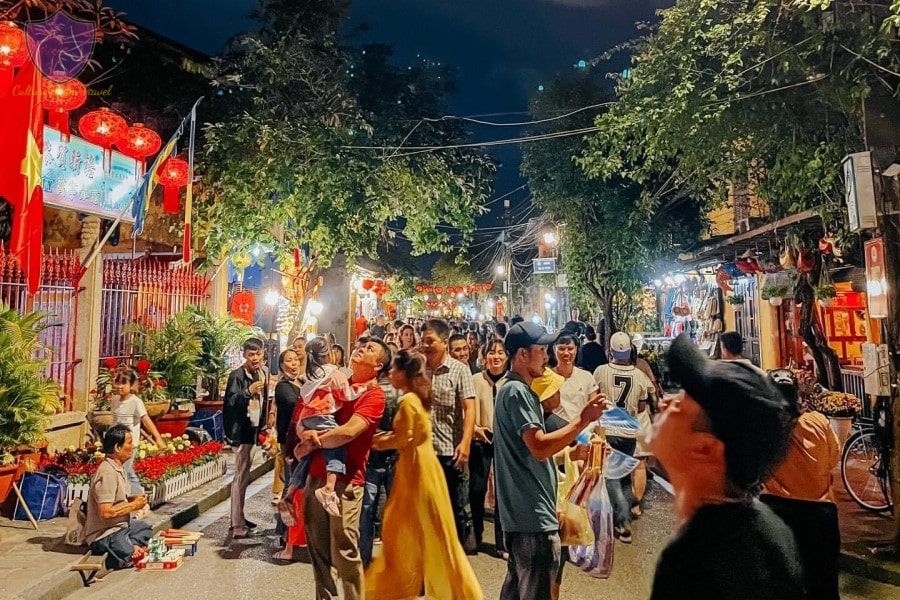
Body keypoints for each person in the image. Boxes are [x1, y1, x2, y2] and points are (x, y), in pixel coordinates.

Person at [647, 333, 803, 600]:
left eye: (681, 401)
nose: (665, 402)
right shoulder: (767, 531)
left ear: (704, 449)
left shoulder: (693, 562)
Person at [494, 322, 606, 600]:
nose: (547, 357)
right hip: (531, 516)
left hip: (525, 515)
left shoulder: (513, 390)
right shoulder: (518, 392)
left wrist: (572, 452)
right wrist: (583, 420)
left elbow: (532, 453)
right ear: (521, 354)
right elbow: (539, 447)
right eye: (542, 350)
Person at [365, 351, 483, 599]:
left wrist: (376, 442)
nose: (389, 374)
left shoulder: (408, 400)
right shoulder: (416, 397)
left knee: (408, 529)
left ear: (403, 374)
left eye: (394, 369)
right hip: (421, 467)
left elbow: (404, 437)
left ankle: (401, 585)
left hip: (417, 469)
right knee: (429, 532)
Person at [293, 339, 389, 600]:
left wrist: (312, 442)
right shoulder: (333, 377)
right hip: (316, 475)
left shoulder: (373, 394)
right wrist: (304, 434)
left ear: (378, 365)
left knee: (345, 549)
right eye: (362, 345)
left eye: (370, 349)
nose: (361, 348)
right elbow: (303, 412)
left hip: (347, 482)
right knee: (317, 549)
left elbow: (348, 432)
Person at [420, 319, 478, 553]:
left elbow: (470, 409)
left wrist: (465, 443)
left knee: (455, 509)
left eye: (430, 341)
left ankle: (455, 561)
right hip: (423, 452)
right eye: (423, 340)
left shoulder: (459, 370)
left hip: (449, 452)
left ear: (445, 342)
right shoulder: (419, 369)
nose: (425, 345)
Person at [593, 331, 652, 543]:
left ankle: (622, 520)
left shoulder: (601, 371)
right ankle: (626, 510)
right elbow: (643, 405)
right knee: (625, 476)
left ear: (610, 350)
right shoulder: (639, 376)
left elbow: (594, 395)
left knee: (611, 477)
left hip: (608, 429)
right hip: (629, 432)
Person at [295, 337, 358, 516]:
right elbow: (346, 394)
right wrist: (363, 387)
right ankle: (328, 489)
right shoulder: (333, 372)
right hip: (323, 416)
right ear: (329, 354)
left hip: (307, 418)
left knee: (310, 456)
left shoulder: (310, 374)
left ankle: (291, 491)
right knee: (336, 448)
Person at [764, 370, 840, 502]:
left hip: (780, 510)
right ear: (796, 395)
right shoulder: (819, 421)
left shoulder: (764, 428)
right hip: (821, 508)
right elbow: (834, 458)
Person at [84, 424, 152, 570]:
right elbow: (106, 512)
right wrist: (134, 506)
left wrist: (134, 500)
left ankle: (130, 546)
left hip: (121, 527)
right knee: (124, 548)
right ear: (117, 448)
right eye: (129, 443)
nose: (133, 446)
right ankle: (127, 550)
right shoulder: (107, 472)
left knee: (144, 529)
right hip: (104, 533)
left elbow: (119, 500)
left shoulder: (118, 468)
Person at [359, 351, 401, 566]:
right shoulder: (402, 392)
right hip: (395, 457)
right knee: (394, 510)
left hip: (370, 457)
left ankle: (362, 558)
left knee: (366, 509)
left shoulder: (368, 390)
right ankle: (393, 560)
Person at [224, 337, 269, 538]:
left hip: (252, 429)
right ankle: (236, 524)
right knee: (240, 477)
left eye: (258, 354)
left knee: (245, 476)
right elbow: (230, 402)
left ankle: (240, 517)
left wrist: (264, 426)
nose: (255, 358)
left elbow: (263, 402)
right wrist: (247, 392)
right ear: (244, 355)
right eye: (251, 354)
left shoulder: (262, 373)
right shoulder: (237, 376)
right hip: (240, 433)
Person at [470, 338, 508, 555]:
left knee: (504, 493)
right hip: (480, 440)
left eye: (500, 353)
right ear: (484, 358)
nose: (496, 357)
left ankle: (502, 543)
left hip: (504, 442)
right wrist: (475, 428)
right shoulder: (476, 380)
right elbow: (469, 409)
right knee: (476, 490)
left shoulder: (512, 381)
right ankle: (475, 535)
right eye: (492, 353)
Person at [111, 368, 165, 497]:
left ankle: (140, 497)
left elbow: (146, 420)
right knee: (118, 471)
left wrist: (158, 438)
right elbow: (114, 422)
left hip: (130, 444)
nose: (120, 387)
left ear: (131, 385)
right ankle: (124, 497)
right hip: (117, 444)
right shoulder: (115, 400)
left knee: (127, 471)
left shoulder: (136, 402)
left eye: (124, 383)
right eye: (118, 383)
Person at [273, 349, 305, 561]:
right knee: (290, 491)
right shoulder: (283, 387)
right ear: (282, 365)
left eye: (296, 360)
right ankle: (285, 536)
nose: (293, 364)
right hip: (290, 446)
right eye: (288, 360)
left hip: (301, 444)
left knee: (297, 489)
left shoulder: (300, 383)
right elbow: (293, 409)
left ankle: (292, 535)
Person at [552, 333, 598, 422]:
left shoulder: (587, 376)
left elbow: (593, 406)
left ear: (576, 350)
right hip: (556, 431)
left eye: (570, 349)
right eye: (561, 349)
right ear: (554, 349)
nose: (566, 353)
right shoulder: (546, 377)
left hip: (582, 431)